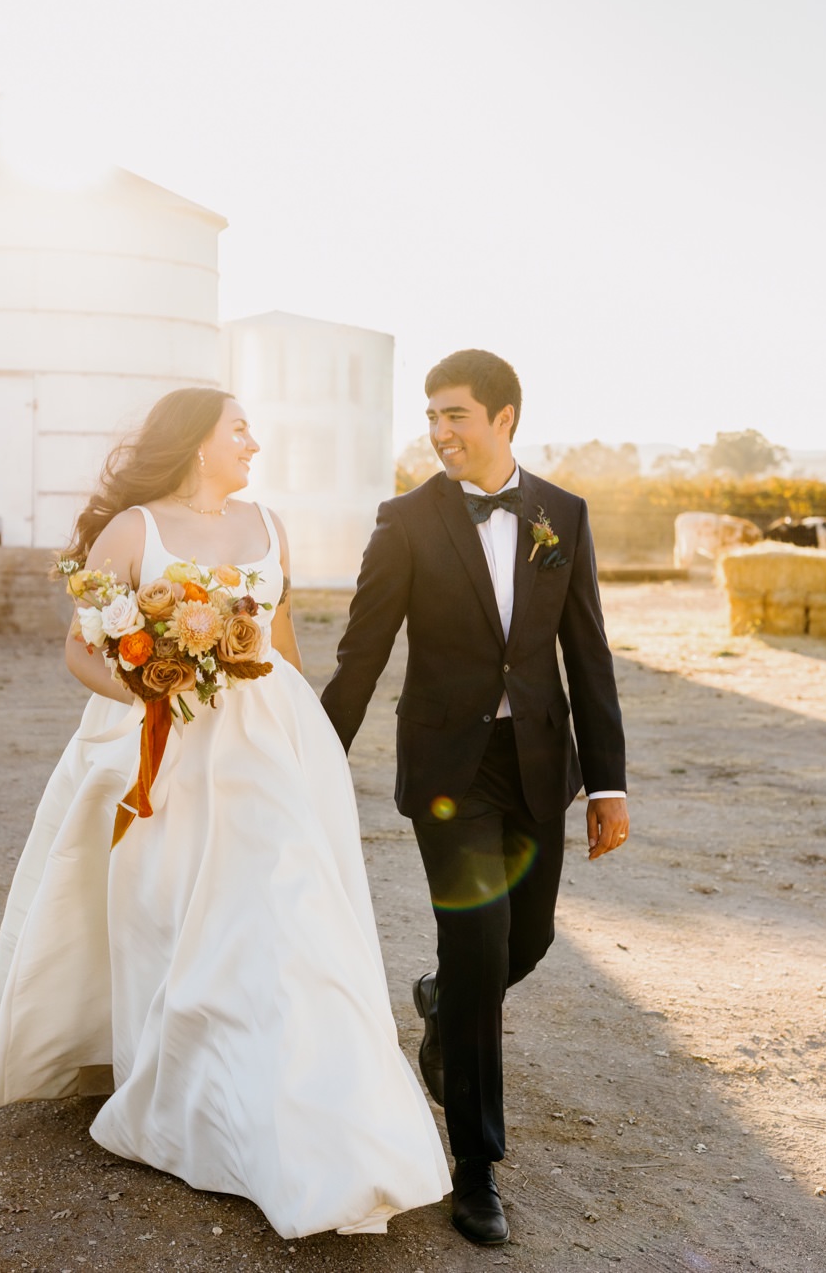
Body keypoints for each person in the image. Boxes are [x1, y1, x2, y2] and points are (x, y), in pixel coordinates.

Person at [0, 387, 449, 1239]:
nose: (254, 441)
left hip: (265, 749)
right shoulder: (133, 533)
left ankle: (317, 1116)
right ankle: (183, 1077)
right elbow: (81, 648)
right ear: (198, 444)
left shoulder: (268, 524)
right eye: (239, 429)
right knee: (173, 918)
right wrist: (148, 692)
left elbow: (286, 646)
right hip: (166, 749)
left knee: (288, 917)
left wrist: (315, 746)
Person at [320, 349, 629, 1246]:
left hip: (535, 761)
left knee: (525, 938)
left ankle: (442, 999)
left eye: (455, 413)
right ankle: (476, 1166)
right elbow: (361, 653)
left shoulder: (560, 514)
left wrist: (606, 780)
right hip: (450, 771)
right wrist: (313, 753)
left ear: (505, 418)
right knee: (482, 931)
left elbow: (589, 653)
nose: (439, 430)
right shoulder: (406, 519)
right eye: (429, 415)